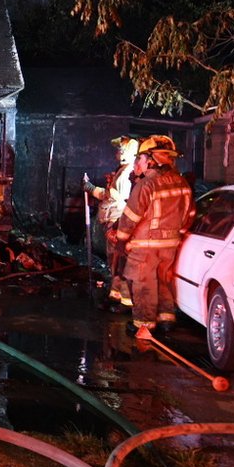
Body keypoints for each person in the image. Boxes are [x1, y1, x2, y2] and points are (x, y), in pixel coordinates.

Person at [112, 135, 195, 340]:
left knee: (144, 283)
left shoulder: (147, 184)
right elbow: (189, 215)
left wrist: (121, 239)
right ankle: (167, 320)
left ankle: (145, 324)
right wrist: (178, 234)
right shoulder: (182, 183)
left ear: (150, 159)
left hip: (144, 246)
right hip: (171, 245)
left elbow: (131, 217)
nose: (137, 162)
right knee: (163, 281)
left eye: (140, 158)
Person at [83, 135, 138, 311]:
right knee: (113, 262)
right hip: (113, 223)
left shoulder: (126, 174)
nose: (117, 152)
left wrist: (91, 189)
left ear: (126, 152)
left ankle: (125, 301)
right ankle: (115, 296)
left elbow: (112, 197)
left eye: (120, 149)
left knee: (118, 262)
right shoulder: (122, 172)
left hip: (117, 223)